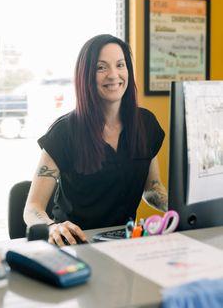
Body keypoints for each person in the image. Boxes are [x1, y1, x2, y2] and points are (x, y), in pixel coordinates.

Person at [24, 34, 167, 246]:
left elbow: (152, 188)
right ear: (86, 76)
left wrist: (180, 207)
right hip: (74, 245)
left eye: (120, 65)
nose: (113, 75)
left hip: (124, 243)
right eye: (101, 68)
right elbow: (33, 207)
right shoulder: (64, 132)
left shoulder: (145, 124)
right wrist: (52, 227)